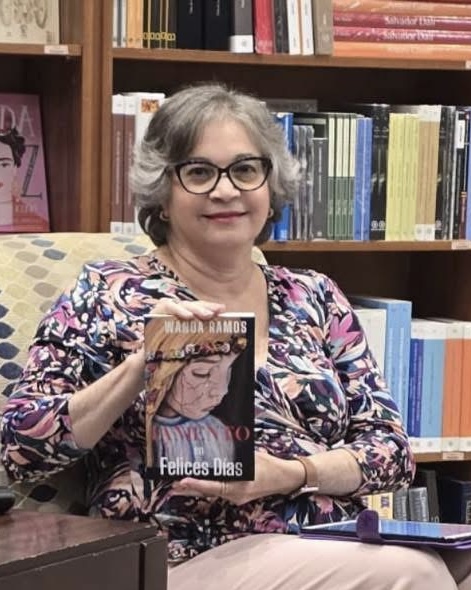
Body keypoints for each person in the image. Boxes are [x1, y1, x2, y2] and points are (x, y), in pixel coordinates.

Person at [1, 81, 471, 590]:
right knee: (411, 574)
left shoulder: (314, 295)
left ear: (271, 188)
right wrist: (142, 366)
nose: (225, 191)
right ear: (163, 195)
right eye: (199, 172)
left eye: (245, 170)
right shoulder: (108, 293)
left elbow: (391, 453)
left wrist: (291, 473)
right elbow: (19, 450)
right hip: (182, 555)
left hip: (329, 542)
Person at [144, 322, 249, 473]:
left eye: (228, 371)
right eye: (202, 373)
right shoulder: (139, 431)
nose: (222, 390)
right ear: (163, 372)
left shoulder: (217, 430)